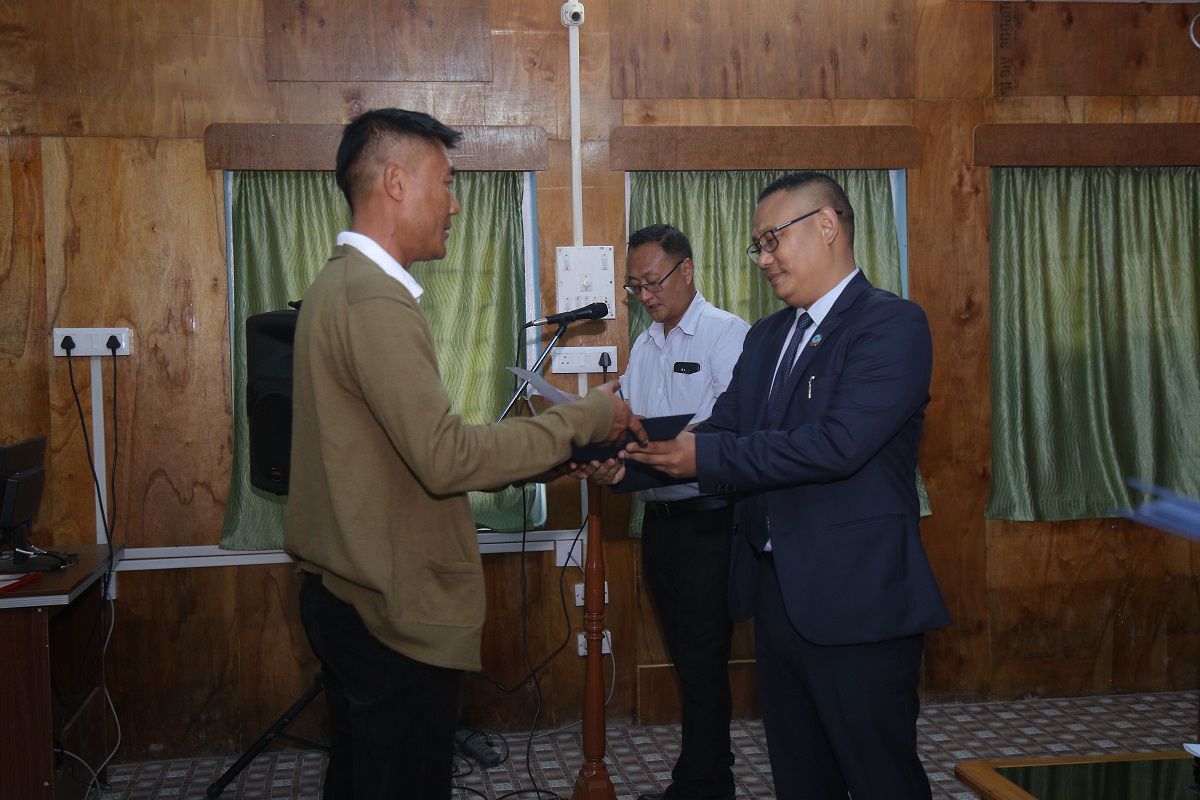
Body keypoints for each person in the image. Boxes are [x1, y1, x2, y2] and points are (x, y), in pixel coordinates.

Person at [283, 108, 645, 800]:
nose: (454, 204)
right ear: (395, 183)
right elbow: (446, 457)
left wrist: (564, 452)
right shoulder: (372, 298)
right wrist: (590, 414)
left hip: (349, 595)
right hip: (387, 611)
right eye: (445, 182)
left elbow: (404, 455)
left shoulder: (340, 285)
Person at [626, 172, 951, 799]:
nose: (763, 258)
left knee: (880, 778)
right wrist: (629, 460)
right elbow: (723, 426)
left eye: (772, 240)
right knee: (800, 779)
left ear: (827, 225)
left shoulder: (890, 324)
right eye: (759, 245)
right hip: (777, 598)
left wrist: (701, 454)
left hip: (858, 599)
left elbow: (837, 444)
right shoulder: (770, 335)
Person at [581, 224, 749, 800]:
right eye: (635, 287)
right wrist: (605, 450)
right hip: (659, 521)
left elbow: (730, 426)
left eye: (653, 282)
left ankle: (704, 785)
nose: (645, 296)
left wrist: (649, 449)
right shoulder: (647, 344)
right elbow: (632, 421)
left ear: (687, 271)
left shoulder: (727, 334)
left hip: (710, 521)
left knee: (703, 659)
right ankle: (705, 778)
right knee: (685, 655)